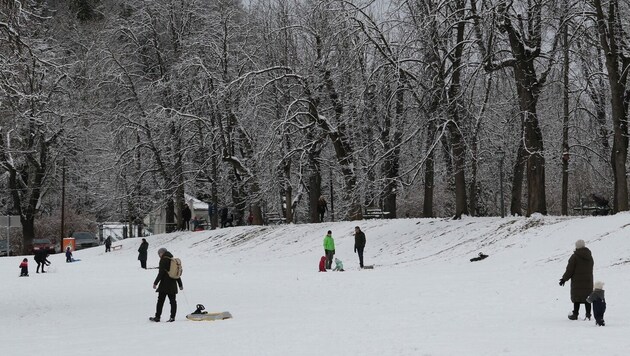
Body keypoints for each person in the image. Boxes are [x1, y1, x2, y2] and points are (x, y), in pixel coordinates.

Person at [559, 239, 594, 320]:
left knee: (577, 297)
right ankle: (588, 315)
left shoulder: (574, 257)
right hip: (588, 280)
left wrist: (564, 279)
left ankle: (575, 314)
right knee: (587, 297)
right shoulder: (589, 256)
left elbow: (569, 270)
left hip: (577, 281)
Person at [150, 247, 183, 322]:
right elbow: (176, 273)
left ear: (161, 253)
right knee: (173, 301)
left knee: (160, 301)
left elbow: (161, 273)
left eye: (159, 254)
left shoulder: (163, 260)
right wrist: (180, 284)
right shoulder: (173, 260)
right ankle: (172, 317)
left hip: (164, 284)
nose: (159, 255)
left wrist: (155, 283)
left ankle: (157, 317)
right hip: (173, 284)